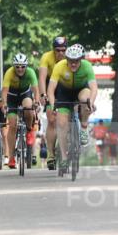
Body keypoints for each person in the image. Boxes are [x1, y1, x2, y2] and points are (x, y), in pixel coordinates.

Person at [46, 44, 99, 166]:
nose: (73, 64)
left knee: (85, 100)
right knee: (61, 123)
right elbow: (51, 89)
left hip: (81, 90)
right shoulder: (59, 66)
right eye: (70, 61)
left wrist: (91, 101)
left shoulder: (87, 66)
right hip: (64, 92)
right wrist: (53, 105)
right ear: (67, 59)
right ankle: (64, 158)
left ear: (81, 59)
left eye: (76, 61)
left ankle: (84, 127)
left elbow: (94, 88)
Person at [0, 53, 41, 170]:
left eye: (23, 66)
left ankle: (29, 130)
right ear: (14, 66)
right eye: (17, 66)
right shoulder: (9, 73)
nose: (20, 69)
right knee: (12, 125)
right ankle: (12, 157)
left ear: (26, 66)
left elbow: (35, 90)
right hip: (11, 97)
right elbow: (4, 91)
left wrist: (37, 102)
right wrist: (4, 104)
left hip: (24, 94)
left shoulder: (31, 72)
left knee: (28, 107)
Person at [39, 36, 68, 170]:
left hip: (65, 84)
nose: (61, 53)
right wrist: (43, 94)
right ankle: (51, 154)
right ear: (53, 49)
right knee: (51, 118)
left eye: (63, 50)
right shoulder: (46, 57)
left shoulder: (70, 58)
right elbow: (42, 78)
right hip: (51, 85)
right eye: (58, 50)